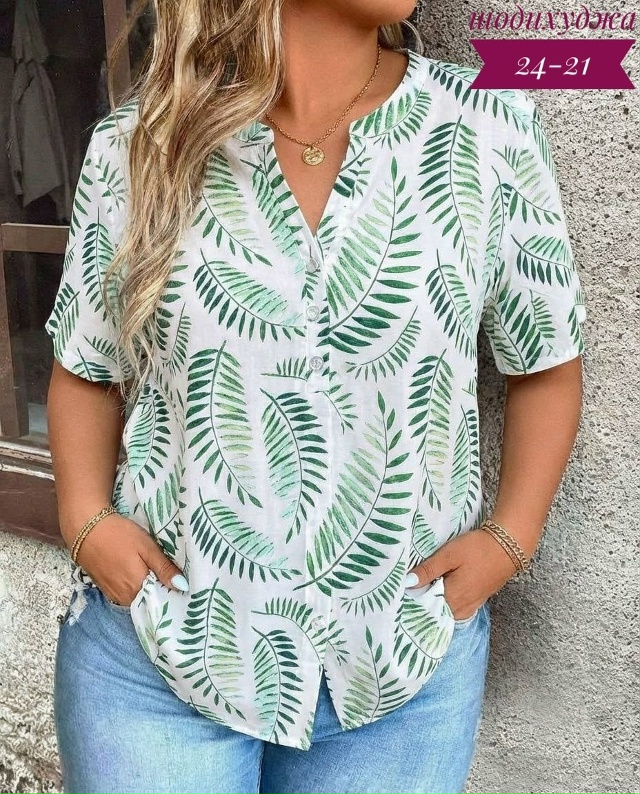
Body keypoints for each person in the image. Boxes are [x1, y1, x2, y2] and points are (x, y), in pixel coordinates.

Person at [45, 1, 586, 793]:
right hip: (163, 653)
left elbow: (545, 361)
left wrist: (511, 539)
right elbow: (85, 363)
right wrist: (85, 521)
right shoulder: (141, 145)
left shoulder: (490, 126)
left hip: (401, 664)